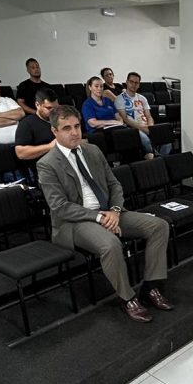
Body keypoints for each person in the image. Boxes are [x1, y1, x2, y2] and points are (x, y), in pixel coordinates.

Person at [36, 105, 173, 322]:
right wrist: (100, 217)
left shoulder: (93, 151)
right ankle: (127, 297)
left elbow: (114, 185)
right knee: (110, 244)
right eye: (66, 128)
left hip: (110, 211)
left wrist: (115, 211)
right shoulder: (47, 164)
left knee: (159, 226)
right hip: (76, 222)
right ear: (54, 132)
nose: (74, 132)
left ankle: (151, 286)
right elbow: (60, 206)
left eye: (77, 126)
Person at [116, 71, 169, 158]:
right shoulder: (120, 99)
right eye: (131, 82)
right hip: (133, 128)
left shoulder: (142, 98)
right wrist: (143, 128)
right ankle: (158, 158)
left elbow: (149, 116)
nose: (133, 84)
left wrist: (151, 127)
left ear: (139, 85)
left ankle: (159, 158)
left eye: (136, 82)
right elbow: (125, 119)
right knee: (145, 139)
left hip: (147, 126)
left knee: (167, 138)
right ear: (126, 82)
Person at [14, 88, 58, 161]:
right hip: (43, 166)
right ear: (37, 105)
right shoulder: (27, 124)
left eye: (56, 107)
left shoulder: (60, 119)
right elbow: (20, 153)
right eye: (49, 108)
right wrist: (49, 146)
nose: (54, 111)